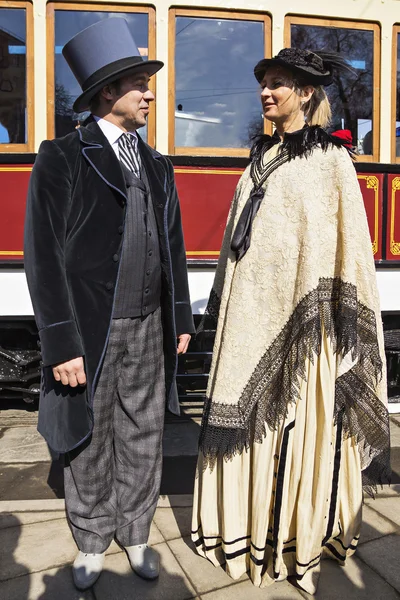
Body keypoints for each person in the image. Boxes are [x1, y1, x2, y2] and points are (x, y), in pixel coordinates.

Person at [191, 48, 390, 595]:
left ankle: (291, 541)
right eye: (263, 84)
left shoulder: (331, 161)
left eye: (278, 83)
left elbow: (347, 252)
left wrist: (330, 327)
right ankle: (244, 534)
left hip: (305, 334)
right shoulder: (258, 159)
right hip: (250, 319)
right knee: (249, 435)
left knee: (293, 436)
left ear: (305, 93)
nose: (266, 93)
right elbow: (241, 245)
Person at [24, 18, 194, 591]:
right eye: (139, 84)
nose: (150, 93)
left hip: (150, 324)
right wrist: (61, 342)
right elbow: (42, 256)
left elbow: (171, 245)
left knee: (145, 430)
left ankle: (137, 532)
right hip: (90, 329)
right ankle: (92, 536)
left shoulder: (158, 164)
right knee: (90, 435)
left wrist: (181, 319)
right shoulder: (62, 155)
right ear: (106, 94)